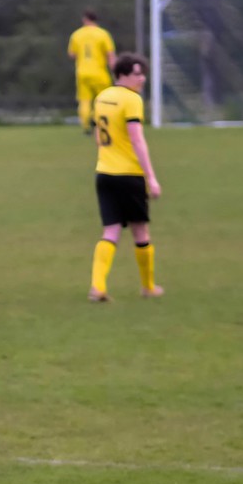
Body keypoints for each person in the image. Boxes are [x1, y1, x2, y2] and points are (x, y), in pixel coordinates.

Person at [88, 52, 163, 302]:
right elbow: (137, 139)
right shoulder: (132, 100)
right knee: (140, 231)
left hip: (104, 173)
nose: (142, 79)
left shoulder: (102, 97)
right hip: (130, 175)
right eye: (137, 74)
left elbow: (98, 136)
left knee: (110, 231)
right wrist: (151, 177)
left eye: (143, 74)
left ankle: (98, 286)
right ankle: (148, 287)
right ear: (122, 74)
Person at [67, 10, 116, 135]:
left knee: (84, 100)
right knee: (103, 99)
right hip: (99, 72)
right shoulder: (103, 34)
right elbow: (110, 55)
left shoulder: (76, 34)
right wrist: (115, 70)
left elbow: (72, 54)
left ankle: (86, 126)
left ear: (84, 19)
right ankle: (96, 118)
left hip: (82, 72)